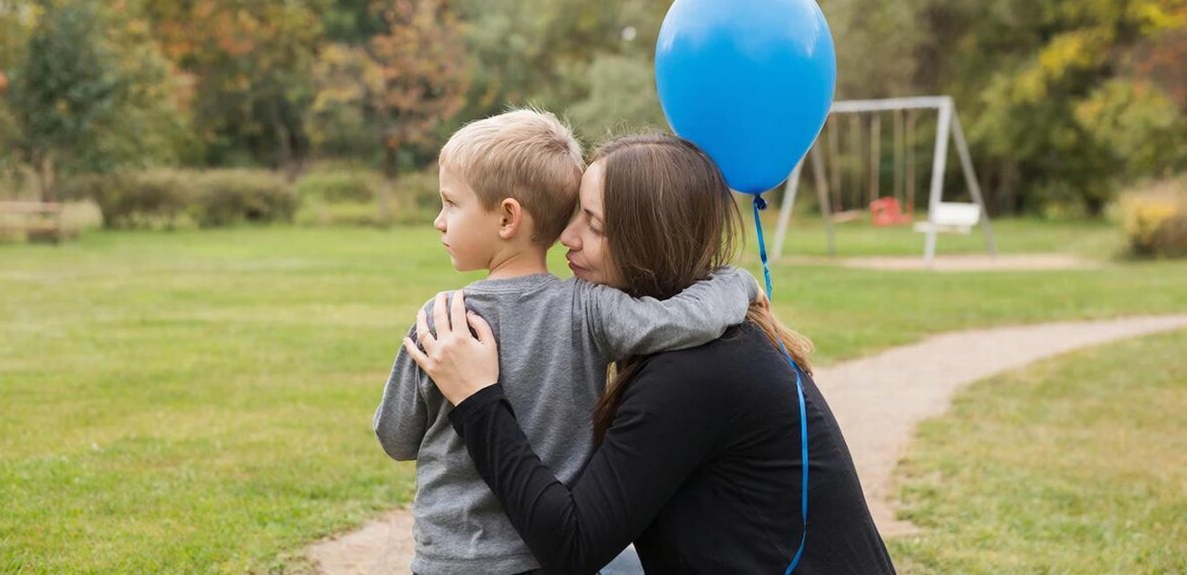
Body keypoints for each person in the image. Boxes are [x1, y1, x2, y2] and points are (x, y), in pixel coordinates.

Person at [405, 134, 897, 574]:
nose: (567, 237)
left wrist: (477, 400)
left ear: (646, 242)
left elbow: (571, 547)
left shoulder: (693, 374)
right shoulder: (701, 335)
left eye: (593, 224)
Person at [374, 111, 761, 574]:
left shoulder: (442, 321)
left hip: (453, 561)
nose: (439, 221)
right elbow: (683, 318)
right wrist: (738, 284)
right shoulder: (591, 310)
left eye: (451, 204)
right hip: (548, 551)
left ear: (507, 217)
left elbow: (395, 438)